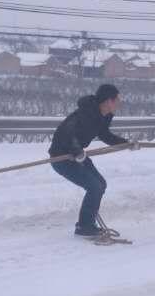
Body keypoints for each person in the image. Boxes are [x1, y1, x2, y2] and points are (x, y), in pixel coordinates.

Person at [49, 84, 134, 236]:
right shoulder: (86, 112)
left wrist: (126, 143)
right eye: (117, 100)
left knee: (101, 184)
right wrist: (76, 150)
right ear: (108, 101)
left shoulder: (104, 115)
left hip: (77, 155)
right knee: (95, 187)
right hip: (61, 157)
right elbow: (65, 132)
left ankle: (87, 222)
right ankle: (84, 226)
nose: (119, 103)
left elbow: (105, 135)